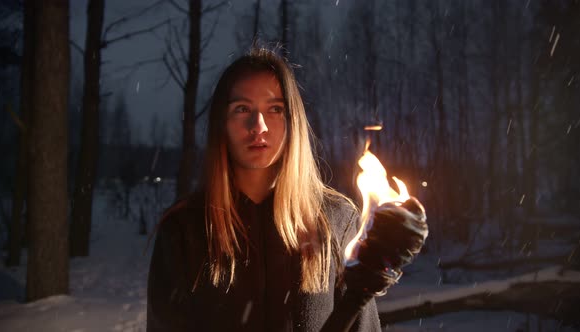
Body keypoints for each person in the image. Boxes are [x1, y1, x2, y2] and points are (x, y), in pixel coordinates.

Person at [146, 47, 423, 331]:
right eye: (242, 109)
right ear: (222, 123)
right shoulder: (184, 230)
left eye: (275, 109)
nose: (259, 126)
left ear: (293, 121)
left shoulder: (336, 219)